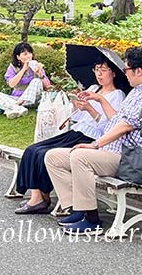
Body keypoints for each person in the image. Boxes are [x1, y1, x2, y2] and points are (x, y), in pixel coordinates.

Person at [45, 46, 142, 235]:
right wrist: (99, 102)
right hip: (114, 152)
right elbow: (117, 119)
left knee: (80, 157)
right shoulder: (138, 90)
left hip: (130, 159)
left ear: (138, 70)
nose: (124, 73)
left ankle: (92, 219)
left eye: (126, 69)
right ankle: (75, 209)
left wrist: (95, 144)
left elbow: (126, 126)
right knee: (53, 157)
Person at [13, 60, 127, 214]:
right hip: (76, 131)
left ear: (113, 73)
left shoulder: (117, 95)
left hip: (90, 137)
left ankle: (40, 198)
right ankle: (38, 195)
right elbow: (77, 116)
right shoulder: (93, 88)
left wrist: (90, 109)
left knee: (43, 153)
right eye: (96, 69)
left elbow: (109, 128)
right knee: (33, 149)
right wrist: (76, 105)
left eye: (104, 70)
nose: (99, 73)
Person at [0, 42, 52, 118]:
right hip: (17, 97)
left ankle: (14, 106)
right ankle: (19, 109)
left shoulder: (36, 66)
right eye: (25, 54)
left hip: (34, 99)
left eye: (30, 53)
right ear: (18, 57)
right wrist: (23, 70)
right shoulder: (13, 68)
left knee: (36, 81)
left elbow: (48, 87)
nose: (29, 56)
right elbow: (11, 84)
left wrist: (40, 74)